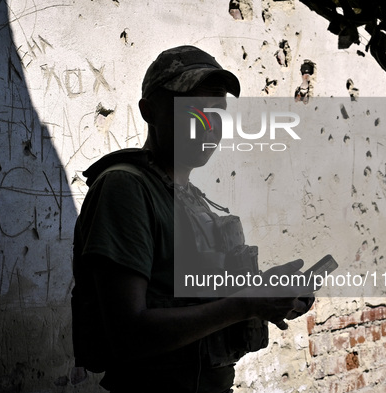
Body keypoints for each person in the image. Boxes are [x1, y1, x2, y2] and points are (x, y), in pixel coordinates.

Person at [72, 45, 314, 393]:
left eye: (217, 114)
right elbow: (128, 334)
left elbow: (206, 299)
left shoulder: (191, 197)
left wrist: (272, 296)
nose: (208, 126)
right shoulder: (125, 188)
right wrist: (245, 304)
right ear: (149, 112)